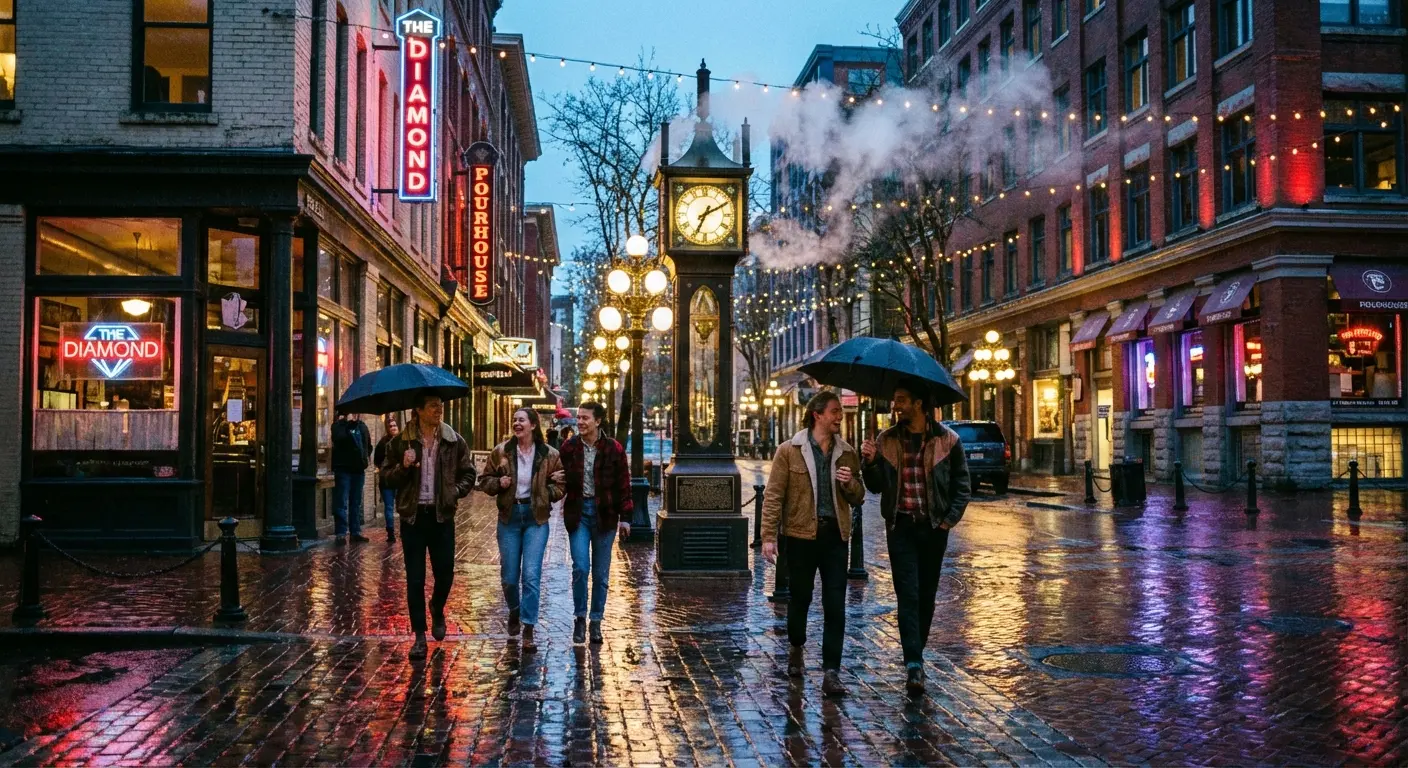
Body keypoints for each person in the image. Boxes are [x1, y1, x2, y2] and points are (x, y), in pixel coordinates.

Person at [861, 382, 971, 694]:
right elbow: (876, 486)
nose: (895, 405)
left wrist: (948, 521)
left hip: (933, 529)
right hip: (901, 528)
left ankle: (915, 652)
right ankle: (914, 664)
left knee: (925, 595)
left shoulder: (949, 441)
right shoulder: (887, 440)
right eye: (895, 400)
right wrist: (869, 462)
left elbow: (963, 485)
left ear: (919, 404)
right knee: (907, 594)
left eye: (901, 399)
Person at [761, 391, 865, 697]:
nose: (839, 417)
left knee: (835, 605)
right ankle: (796, 648)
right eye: (834, 411)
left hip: (835, 536)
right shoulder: (789, 450)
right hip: (800, 536)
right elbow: (773, 495)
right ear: (817, 414)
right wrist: (768, 537)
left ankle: (831, 671)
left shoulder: (847, 452)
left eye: (839, 413)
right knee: (800, 598)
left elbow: (859, 496)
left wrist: (849, 483)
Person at [380, 393, 476, 660]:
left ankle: (437, 606)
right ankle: (420, 636)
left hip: (441, 517)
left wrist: (454, 492)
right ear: (418, 410)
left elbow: (469, 472)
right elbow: (386, 479)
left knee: (445, 574)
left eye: (440, 405)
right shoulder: (401, 443)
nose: (439, 410)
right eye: (433, 406)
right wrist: (404, 465)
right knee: (415, 578)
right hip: (413, 518)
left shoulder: (453, 440)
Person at [478, 407, 565, 652]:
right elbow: (484, 481)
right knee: (508, 576)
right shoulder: (501, 451)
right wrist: (499, 483)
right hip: (510, 517)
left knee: (530, 574)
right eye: (514, 420)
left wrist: (545, 494)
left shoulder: (549, 454)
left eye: (522, 420)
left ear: (533, 425)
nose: (517, 424)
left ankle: (528, 627)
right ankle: (515, 611)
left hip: (536, 518)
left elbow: (561, 484)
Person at [558, 402, 632, 645]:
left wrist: (626, 518)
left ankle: (596, 621)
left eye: (585, 418)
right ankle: (580, 618)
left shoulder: (614, 449)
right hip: (578, 513)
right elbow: (558, 477)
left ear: (598, 421)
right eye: (578, 418)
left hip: (605, 515)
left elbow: (624, 484)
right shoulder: (569, 447)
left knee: (601, 574)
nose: (580, 422)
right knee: (580, 567)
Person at [331, 410, 373, 545]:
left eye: (356, 412)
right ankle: (341, 533)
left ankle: (355, 532)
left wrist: (364, 458)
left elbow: (369, 445)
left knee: (356, 502)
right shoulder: (338, 426)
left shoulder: (363, 427)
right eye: (351, 412)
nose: (354, 415)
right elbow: (338, 438)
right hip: (343, 469)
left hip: (358, 470)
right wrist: (349, 425)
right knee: (341, 502)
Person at [373, 416, 400, 543]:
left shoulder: (402, 441)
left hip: (400, 479)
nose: (393, 428)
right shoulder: (383, 443)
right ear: (387, 429)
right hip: (388, 480)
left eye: (395, 425)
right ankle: (391, 533)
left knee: (400, 506)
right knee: (389, 507)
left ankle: (401, 531)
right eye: (391, 426)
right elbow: (376, 461)